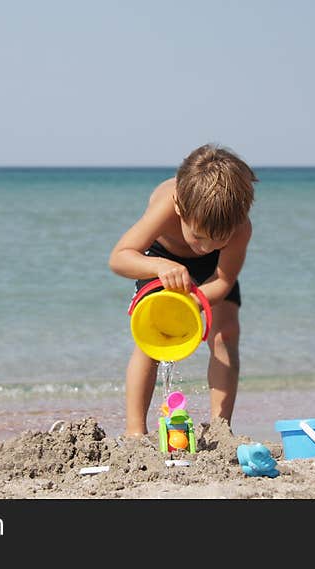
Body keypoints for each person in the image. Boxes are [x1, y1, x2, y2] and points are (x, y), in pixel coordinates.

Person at [109, 144, 258, 438]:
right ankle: (135, 431)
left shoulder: (238, 228)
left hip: (213, 272)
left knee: (225, 332)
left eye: (218, 240)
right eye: (199, 236)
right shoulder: (167, 206)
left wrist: (195, 301)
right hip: (161, 257)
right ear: (180, 208)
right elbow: (120, 257)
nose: (205, 247)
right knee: (151, 339)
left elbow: (224, 281)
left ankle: (220, 428)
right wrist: (160, 267)